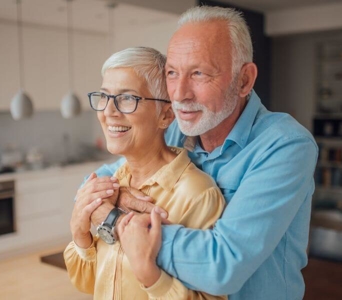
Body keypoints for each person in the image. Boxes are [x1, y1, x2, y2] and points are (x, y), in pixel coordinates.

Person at [77, 6, 318, 299]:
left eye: (199, 73)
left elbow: (222, 267)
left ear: (243, 80)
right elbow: (96, 182)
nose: (179, 94)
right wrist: (117, 195)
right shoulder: (179, 126)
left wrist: (115, 221)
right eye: (172, 73)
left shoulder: (285, 145)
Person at [64, 46, 226, 299]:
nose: (108, 112)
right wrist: (80, 235)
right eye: (104, 97)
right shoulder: (113, 183)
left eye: (127, 98)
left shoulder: (197, 193)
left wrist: (150, 276)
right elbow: (90, 283)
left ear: (166, 115)